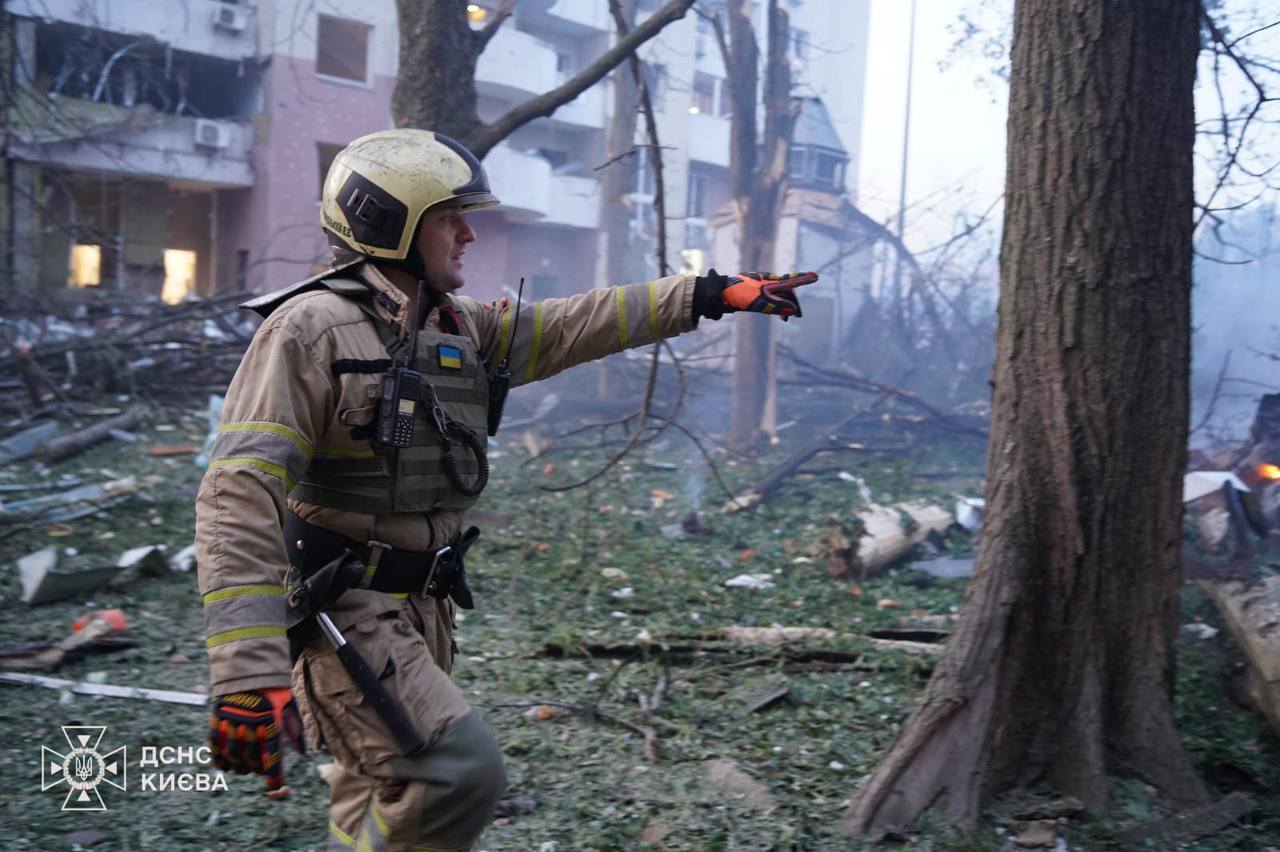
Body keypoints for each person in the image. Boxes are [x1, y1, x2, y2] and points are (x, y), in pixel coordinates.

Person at [196, 128, 816, 851]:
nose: (468, 234)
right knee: (458, 773)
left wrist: (708, 293)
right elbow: (237, 495)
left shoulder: (451, 325)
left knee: (375, 789)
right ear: (390, 224)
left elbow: (573, 324)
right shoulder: (311, 332)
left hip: (421, 607)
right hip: (345, 610)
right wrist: (247, 672)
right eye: (448, 218)